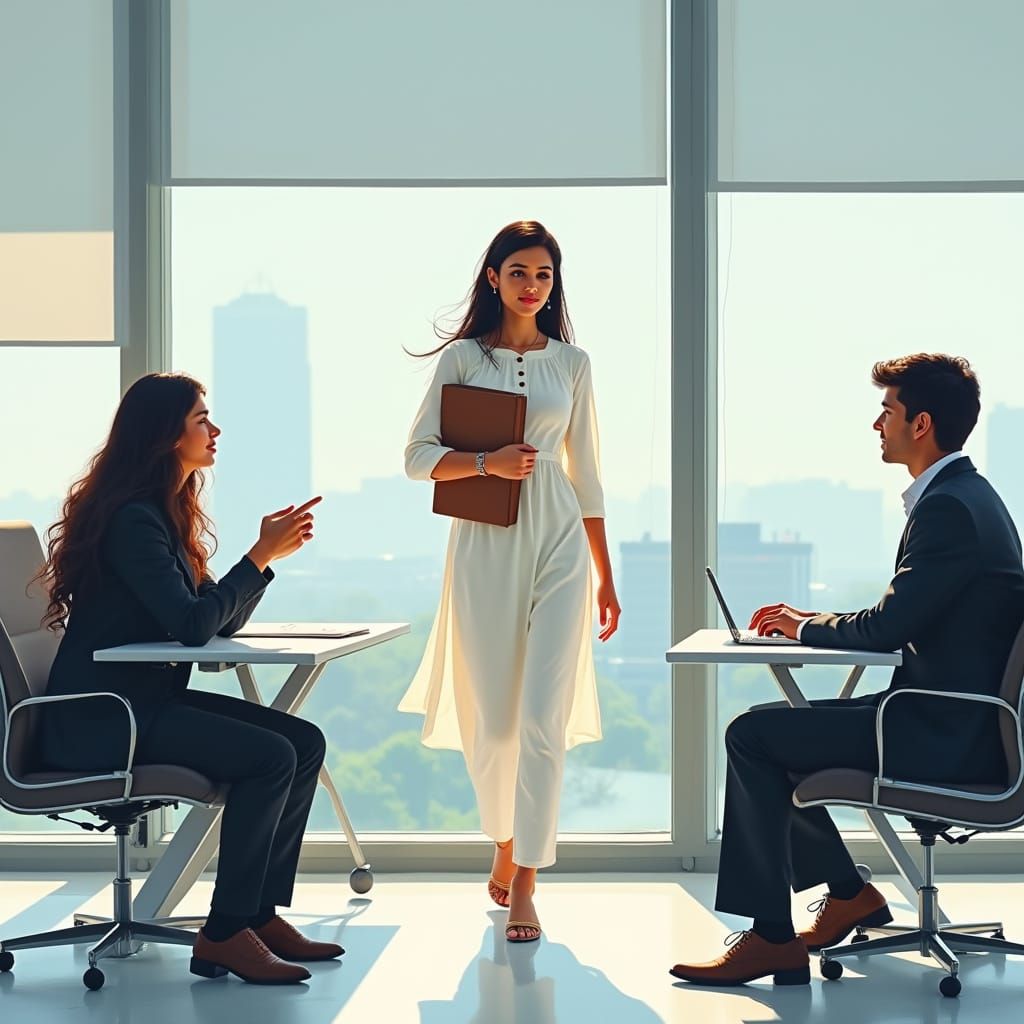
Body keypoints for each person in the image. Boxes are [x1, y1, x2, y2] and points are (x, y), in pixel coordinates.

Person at [671, 353, 1024, 986]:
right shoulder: (966, 496)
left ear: (920, 424)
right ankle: (847, 894)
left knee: (754, 736)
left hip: (940, 732)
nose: (876, 424)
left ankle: (773, 938)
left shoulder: (949, 509)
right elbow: (908, 610)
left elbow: (890, 626)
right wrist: (812, 618)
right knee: (784, 731)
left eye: (886, 411)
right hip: (947, 717)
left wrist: (804, 629)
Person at [35, 372, 341, 985]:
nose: (215, 428)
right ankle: (224, 934)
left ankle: (255, 914)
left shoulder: (162, 513)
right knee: (270, 757)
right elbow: (195, 628)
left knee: (302, 743)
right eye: (202, 418)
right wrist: (258, 558)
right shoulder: (132, 521)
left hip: (140, 704)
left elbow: (207, 620)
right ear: (163, 434)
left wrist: (263, 560)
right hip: (103, 721)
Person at [401, 221, 621, 943]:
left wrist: (605, 578)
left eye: (545, 275)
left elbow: (587, 475)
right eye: (520, 272)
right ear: (493, 277)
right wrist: (489, 463)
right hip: (485, 542)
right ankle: (502, 835)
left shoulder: (573, 364)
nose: (533, 286)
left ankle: (526, 878)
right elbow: (417, 458)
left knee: (541, 721)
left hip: (559, 535)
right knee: (492, 721)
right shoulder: (463, 359)